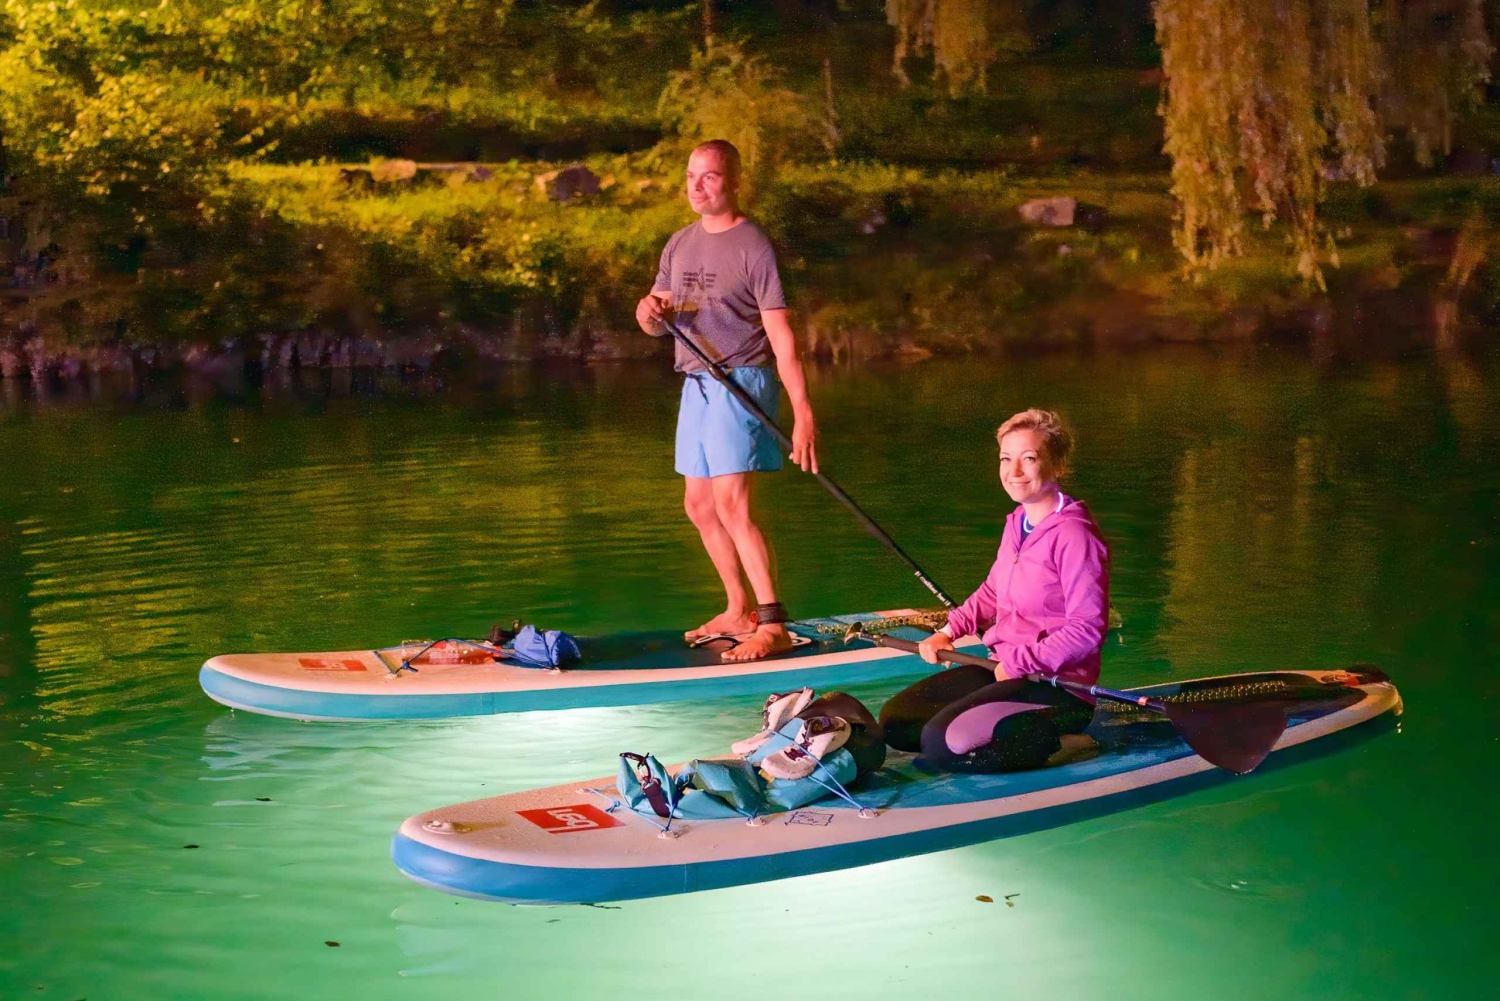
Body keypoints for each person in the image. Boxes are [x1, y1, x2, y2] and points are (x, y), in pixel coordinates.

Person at [634, 139, 818, 663]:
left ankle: (773, 621)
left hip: (742, 380)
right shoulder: (679, 243)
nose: (696, 186)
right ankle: (738, 608)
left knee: (733, 504)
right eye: (691, 176)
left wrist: (803, 413)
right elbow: (655, 316)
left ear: (733, 181)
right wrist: (648, 312)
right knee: (698, 505)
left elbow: (782, 335)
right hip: (695, 381)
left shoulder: (752, 245)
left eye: (709, 176)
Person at [878, 409, 1110, 772]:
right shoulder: (1018, 521)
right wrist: (948, 631)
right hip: (1002, 667)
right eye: (1006, 458)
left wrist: (1019, 663)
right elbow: (992, 591)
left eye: (1029, 458)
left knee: (941, 748)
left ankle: (1065, 742)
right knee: (898, 724)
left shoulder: (1075, 535)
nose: (1013, 471)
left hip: (1055, 686)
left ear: (1058, 465)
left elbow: (1087, 630)